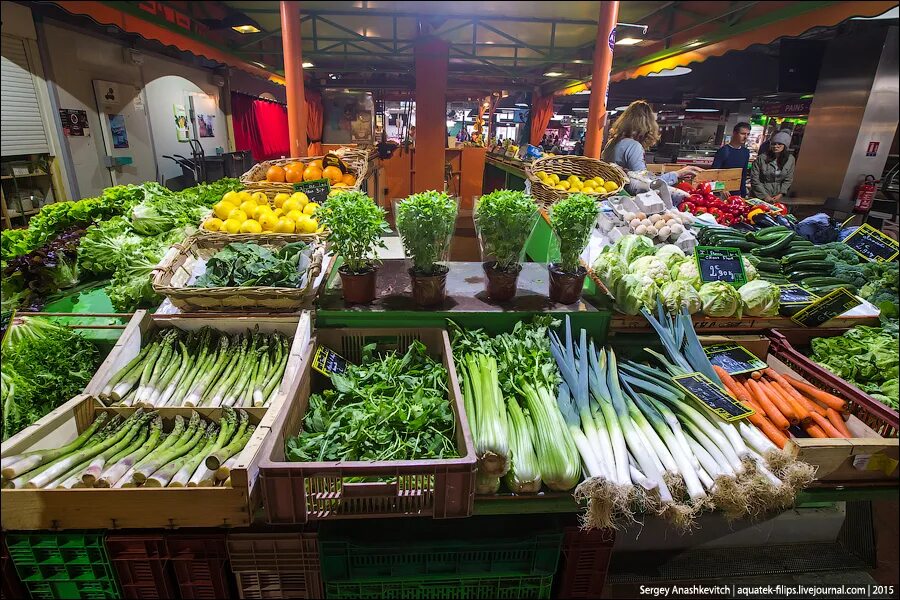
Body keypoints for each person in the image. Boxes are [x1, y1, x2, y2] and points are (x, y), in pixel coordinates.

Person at [601, 100, 701, 186]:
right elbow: (645, 183)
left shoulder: (612, 142)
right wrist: (678, 174)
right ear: (648, 125)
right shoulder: (633, 146)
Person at [750, 130, 794, 201]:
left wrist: (781, 194)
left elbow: (788, 179)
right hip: (759, 196)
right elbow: (755, 179)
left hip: (777, 196)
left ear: (785, 146)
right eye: (773, 144)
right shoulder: (762, 158)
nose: (776, 146)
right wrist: (765, 196)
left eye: (779, 144)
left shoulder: (790, 159)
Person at [712, 122, 751, 196]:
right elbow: (713, 174)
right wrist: (721, 188)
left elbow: (743, 174)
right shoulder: (723, 151)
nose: (745, 137)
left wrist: (743, 194)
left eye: (747, 134)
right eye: (742, 134)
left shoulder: (746, 152)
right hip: (722, 193)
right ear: (734, 133)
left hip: (737, 193)